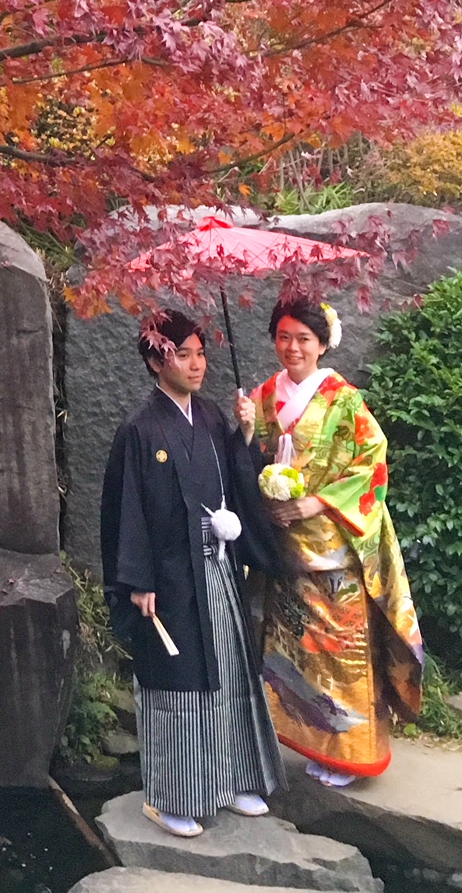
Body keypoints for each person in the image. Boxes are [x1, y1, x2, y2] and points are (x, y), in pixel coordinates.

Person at [101, 311, 284, 838]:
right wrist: (137, 581)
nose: (198, 363)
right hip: (171, 579)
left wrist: (246, 433)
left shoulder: (207, 416)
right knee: (178, 686)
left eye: (201, 353)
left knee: (230, 673)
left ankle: (229, 782)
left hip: (218, 569)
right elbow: (126, 509)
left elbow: (233, 476)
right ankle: (170, 797)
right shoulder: (139, 429)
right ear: (158, 360)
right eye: (185, 354)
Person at [241, 294, 424, 788]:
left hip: (330, 546)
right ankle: (304, 742)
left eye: (303, 338)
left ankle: (351, 750)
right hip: (282, 547)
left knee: (340, 648)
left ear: (322, 344)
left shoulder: (344, 399)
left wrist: (312, 503)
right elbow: (255, 456)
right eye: (283, 337)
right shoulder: (262, 396)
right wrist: (244, 432)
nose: (292, 347)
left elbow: (372, 463)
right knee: (292, 649)